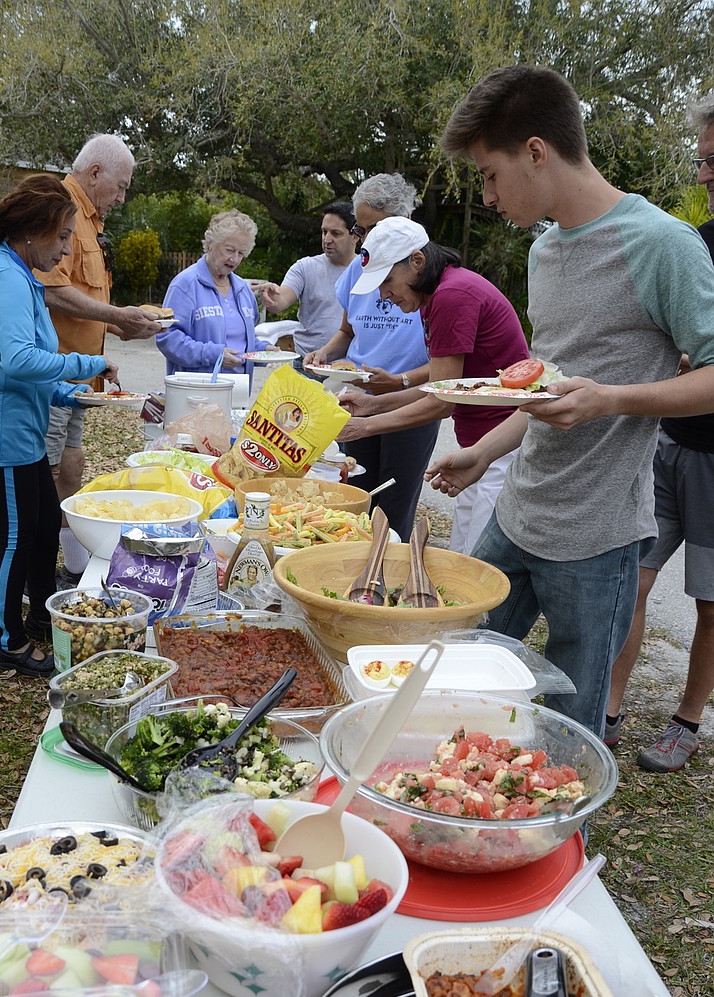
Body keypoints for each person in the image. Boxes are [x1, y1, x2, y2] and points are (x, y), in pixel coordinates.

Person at [427, 65, 714, 739]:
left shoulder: (663, 243)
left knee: (567, 729)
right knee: (457, 679)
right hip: (517, 512)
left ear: (536, 151)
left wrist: (611, 398)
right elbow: (546, 390)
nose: (489, 196)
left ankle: (561, 840)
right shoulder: (544, 251)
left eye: (491, 175)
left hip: (598, 538)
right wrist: (479, 451)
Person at [0, 174, 117, 677]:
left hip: (18, 428)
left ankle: (43, 616)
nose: (66, 250)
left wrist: (73, 392)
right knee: (17, 537)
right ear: (33, 232)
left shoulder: (20, 275)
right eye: (63, 237)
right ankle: (8, 641)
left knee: (44, 529)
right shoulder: (3, 278)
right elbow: (21, 361)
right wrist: (86, 365)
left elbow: (30, 364)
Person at [605, 94, 714, 771]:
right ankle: (607, 710)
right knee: (632, 580)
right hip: (667, 441)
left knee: (711, 602)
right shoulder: (696, 244)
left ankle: (687, 719)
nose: (704, 175)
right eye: (703, 159)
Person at [336, 216, 529, 554]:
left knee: (479, 567)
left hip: (501, 447)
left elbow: (442, 402)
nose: (383, 294)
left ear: (417, 261)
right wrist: (373, 404)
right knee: (462, 556)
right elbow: (444, 382)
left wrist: (364, 427)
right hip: (479, 446)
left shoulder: (452, 295)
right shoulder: (436, 294)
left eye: (387, 280)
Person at [34, 134, 162, 590]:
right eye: (121, 186)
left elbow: (85, 297)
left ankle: (72, 564)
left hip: (81, 373)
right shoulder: (59, 209)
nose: (122, 197)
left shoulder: (90, 219)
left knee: (71, 461)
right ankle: (40, 571)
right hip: (53, 372)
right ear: (94, 173)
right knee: (48, 467)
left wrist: (118, 326)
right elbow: (51, 290)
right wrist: (114, 315)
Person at [303, 174, 437, 540]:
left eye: (372, 229)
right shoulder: (356, 271)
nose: (363, 241)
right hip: (357, 397)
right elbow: (347, 332)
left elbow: (447, 366)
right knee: (355, 499)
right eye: (360, 230)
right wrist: (324, 353)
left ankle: (385, 578)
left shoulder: (428, 278)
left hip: (408, 402)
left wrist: (401, 381)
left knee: (393, 507)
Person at [155, 209, 271, 387]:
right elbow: (167, 337)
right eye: (229, 250)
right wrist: (213, 354)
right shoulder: (185, 284)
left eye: (241, 253)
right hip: (196, 392)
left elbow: (243, 341)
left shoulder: (243, 290)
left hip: (237, 392)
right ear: (210, 243)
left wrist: (263, 350)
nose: (234, 259)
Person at [254, 201, 358, 369]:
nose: (327, 239)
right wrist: (271, 297)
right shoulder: (305, 267)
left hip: (348, 367)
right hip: (306, 364)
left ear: (355, 235)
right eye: (324, 232)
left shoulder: (367, 271)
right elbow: (281, 300)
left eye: (335, 233)